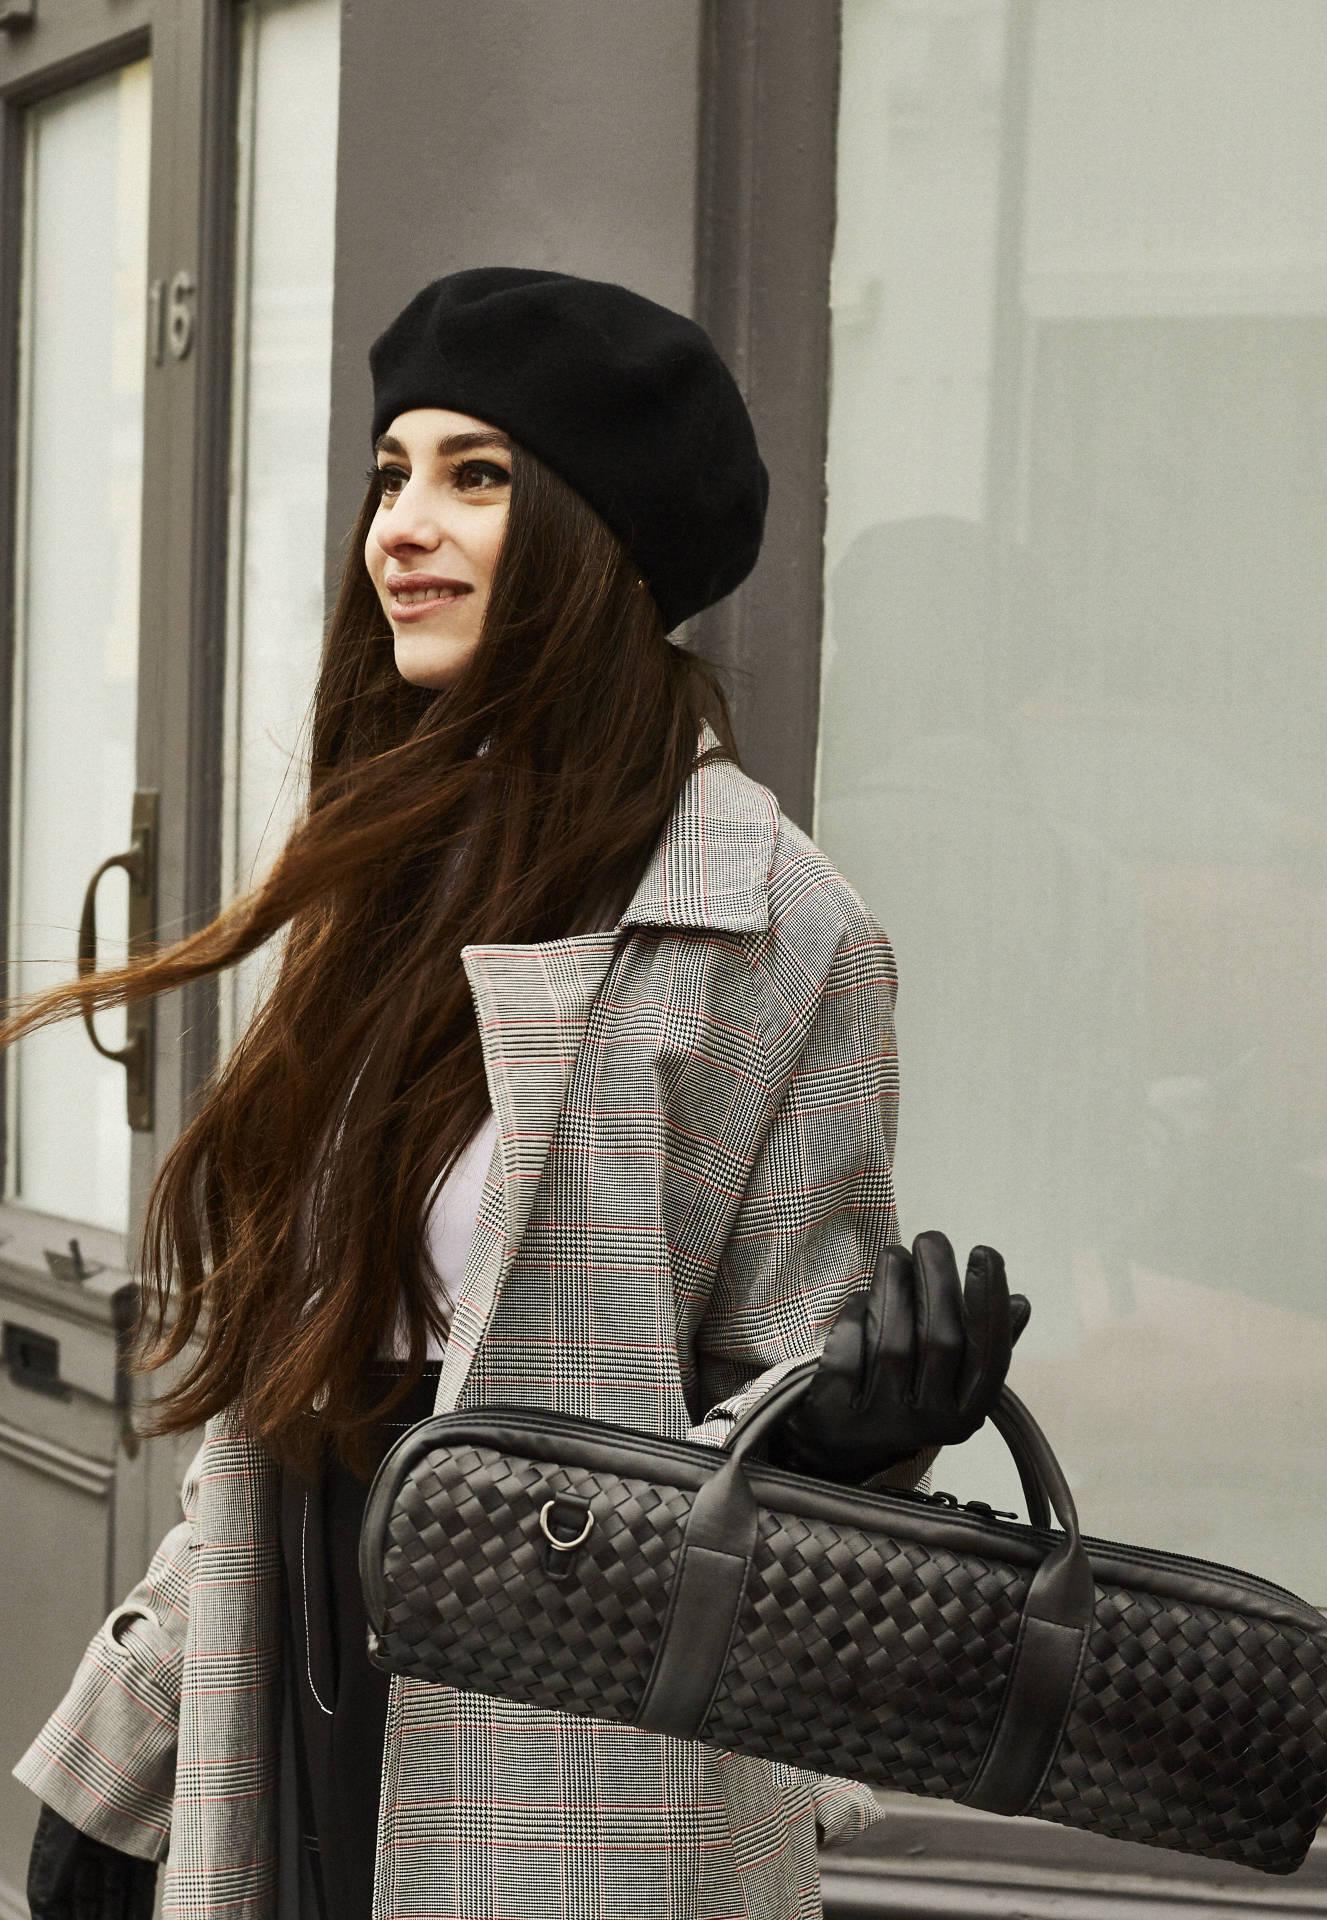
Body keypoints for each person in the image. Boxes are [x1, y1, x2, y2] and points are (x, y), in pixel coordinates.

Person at [10, 267, 1027, 1920]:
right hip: (303, 1670)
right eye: (390, 472)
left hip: (584, 1752)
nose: (402, 523)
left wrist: (857, 1436)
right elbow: (298, 1380)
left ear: (602, 536)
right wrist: (124, 1755)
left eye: (474, 475)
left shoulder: (782, 928)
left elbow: (780, 1465)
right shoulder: (386, 884)